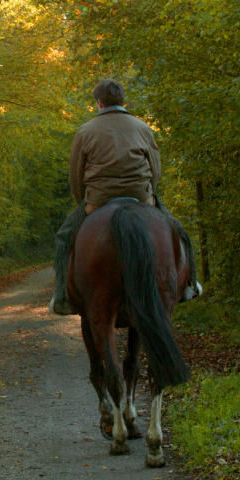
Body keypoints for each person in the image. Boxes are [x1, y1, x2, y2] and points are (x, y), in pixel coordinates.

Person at [49, 79, 200, 315]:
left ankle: (61, 295)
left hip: (98, 199)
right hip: (140, 196)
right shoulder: (142, 128)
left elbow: (75, 175)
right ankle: (190, 286)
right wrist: (149, 193)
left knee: (64, 237)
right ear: (123, 101)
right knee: (179, 231)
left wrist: (84, 202)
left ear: (99, 102)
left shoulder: (85, 131)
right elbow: (156, 169)